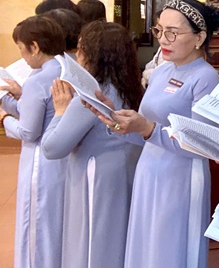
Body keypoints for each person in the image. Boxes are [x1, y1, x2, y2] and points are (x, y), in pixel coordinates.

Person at [85, 0, 219, 268]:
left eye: (173, 32)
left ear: (199, 38)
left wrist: (148, 129)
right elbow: (144, 130)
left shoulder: (205, 77)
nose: (163, 39)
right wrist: (116, 119)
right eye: (160, 30)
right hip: (149, 168)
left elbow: (203, 143)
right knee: (145, 244)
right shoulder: (161, 72)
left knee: (169, 248)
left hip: (181, 175)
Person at [41, 21, 143, 268]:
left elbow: (52, 148)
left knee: (92, 242)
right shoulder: (134, 88)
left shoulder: (91, 96)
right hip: (126, 171)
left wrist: (60, 111)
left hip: (96, 175)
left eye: (80, 48)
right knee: (118, 240)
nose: (77, 55)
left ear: (93, 54)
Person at [0, 16, 68, 268]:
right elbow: (35, 110)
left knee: (36, 225)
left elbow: (29, 131)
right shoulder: (65, 68)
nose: (22, 56)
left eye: (21, 48)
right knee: (56, 224)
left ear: (35, 47)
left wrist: (4, 118)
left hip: (40, 162)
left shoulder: (38, 80)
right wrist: (13, 99)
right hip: (63, 160)